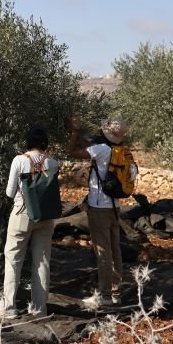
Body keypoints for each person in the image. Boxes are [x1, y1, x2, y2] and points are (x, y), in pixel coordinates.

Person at [0, 126, 57, 320]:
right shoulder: (52, 162)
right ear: (45, 142)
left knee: (13, 260)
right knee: (42, 262)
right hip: (46, 216)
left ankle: (9, 308)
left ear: (27, 141)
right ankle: (38, 309)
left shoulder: (19, 160)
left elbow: (10, 193)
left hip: (22, 213)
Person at [66, 114, 131, 308]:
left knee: (103, 252)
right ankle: (115, 293)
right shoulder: (119, 149)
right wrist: (80, 136)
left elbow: (72, 152)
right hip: (114, 207)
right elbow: (88, 146)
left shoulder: (101, 149)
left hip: (99, 207)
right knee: (115, 250)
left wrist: (74, 132)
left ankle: (104, 296)